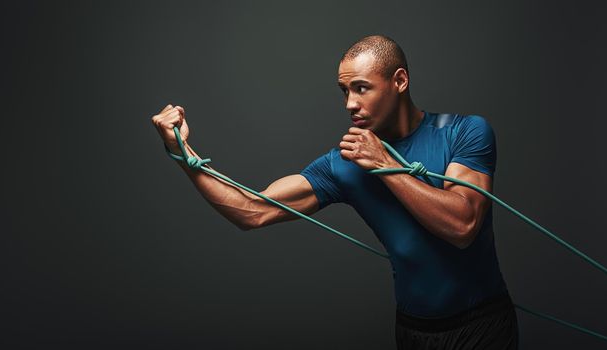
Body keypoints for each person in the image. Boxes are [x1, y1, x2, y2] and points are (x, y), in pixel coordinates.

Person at [151, 35, 518, 350]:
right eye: (344, 91)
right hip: (413, 330)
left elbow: (463, 224)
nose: (350, 104)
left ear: (399, 81)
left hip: (481, 327)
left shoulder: (463, 133)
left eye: (361, 87)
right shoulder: (344, 164)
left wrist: (382, 164)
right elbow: (253, 210)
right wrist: (183, 153)